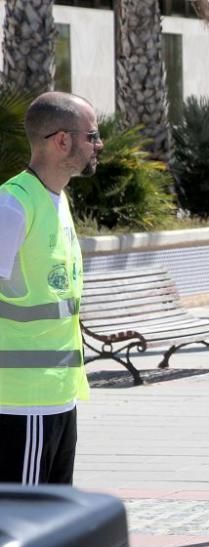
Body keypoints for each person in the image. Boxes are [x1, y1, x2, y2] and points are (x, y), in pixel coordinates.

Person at [0, 92, 102, 485]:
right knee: (19, 525)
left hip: (56, 396)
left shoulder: (56, 201)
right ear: (62, 141)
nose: (99, 144)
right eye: (92, 135)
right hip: (20, 403)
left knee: (49, 522)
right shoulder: (13, 205)